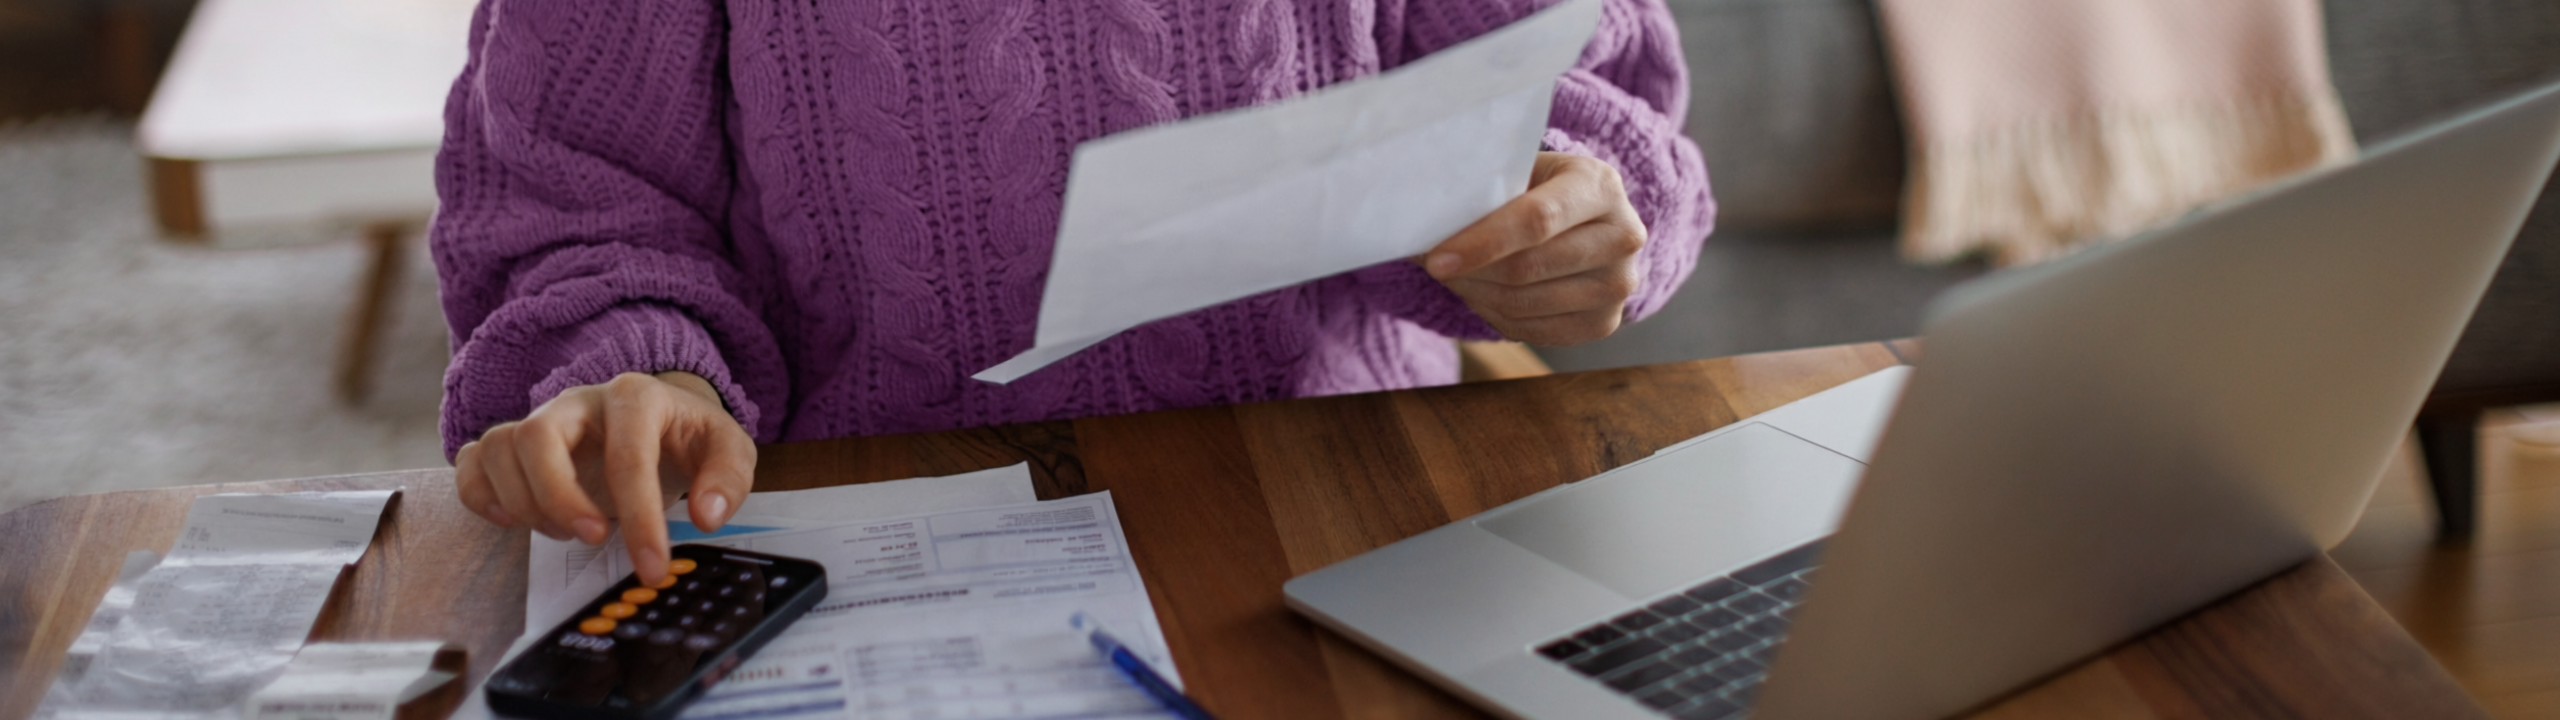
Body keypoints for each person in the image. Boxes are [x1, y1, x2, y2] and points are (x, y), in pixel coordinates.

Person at [434, 0, 1714, 583]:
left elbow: (1586, 101)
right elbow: (578, 204)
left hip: (1330, 503)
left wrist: (1587, 219)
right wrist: (642, 370)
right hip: (864, 539)